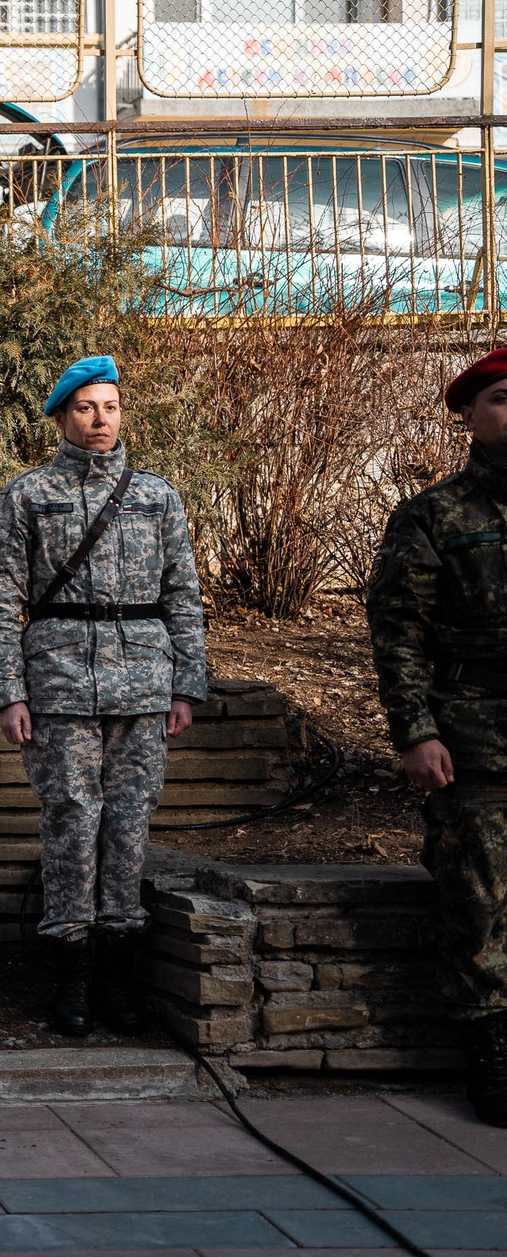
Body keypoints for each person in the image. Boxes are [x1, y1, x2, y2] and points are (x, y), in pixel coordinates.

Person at [0, 355, 206, 1038]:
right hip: (60, 686)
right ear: (61, 418)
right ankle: (71, 975)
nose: (100, 418)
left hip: (143, 682)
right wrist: (8, 693)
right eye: (85, 408)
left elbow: (183, 595)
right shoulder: (29, 495)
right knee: (73, 823)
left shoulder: (157, 495)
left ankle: (118, 974)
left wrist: (186, 684)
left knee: (129, 824)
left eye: (109, 406)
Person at [366, 345, 507, 1129]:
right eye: (501, 400)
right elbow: (399, 632)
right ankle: (491, 1047)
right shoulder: (433, 515)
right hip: (476, 737)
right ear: (470, 415)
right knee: (480, 900)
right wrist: (415, 730)